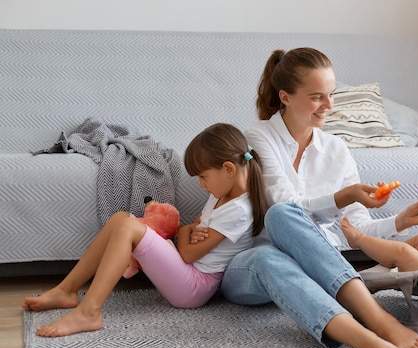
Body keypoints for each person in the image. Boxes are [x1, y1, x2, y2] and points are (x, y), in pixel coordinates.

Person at [191, 47, 418, 348]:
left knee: (286, 227)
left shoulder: (336, 150)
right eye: (316, 97)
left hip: (316, 264)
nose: (329, 106)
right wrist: (344, 195)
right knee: (277, 224)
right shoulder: (258, 137)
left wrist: (401, 221)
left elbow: (357, 229)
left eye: (331, 95)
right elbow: (283, 202)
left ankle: (372, 327)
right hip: (249, 266)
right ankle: (370, 335)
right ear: (286, 97)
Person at [23, 123, 267, 337]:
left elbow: (188, 253)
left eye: (203, 177)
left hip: (194, 287)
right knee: (120, 218)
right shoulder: (221, 194)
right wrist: (189, 232)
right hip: (188, 272)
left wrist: (185, 233)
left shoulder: (238, 210)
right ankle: (67, 291)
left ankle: (90, 311)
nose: (201, 185)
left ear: (229, 169)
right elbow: (194, 230)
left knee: (129, 227)